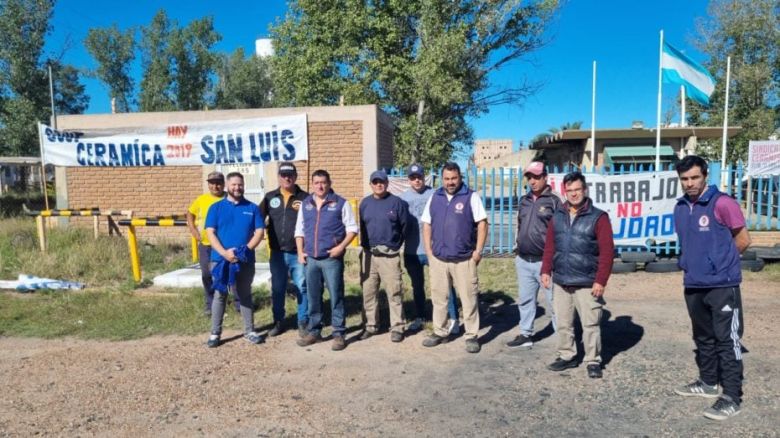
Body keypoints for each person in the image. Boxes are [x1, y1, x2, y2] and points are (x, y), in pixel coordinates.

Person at [672, 155, 751, 421]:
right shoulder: (681, 207)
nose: (690, 183)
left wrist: (721, 265)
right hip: (693, 283)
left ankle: (731, 397)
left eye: (695, 177)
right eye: (684, 179)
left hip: (722, 285)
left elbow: (743, 239)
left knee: (727, 340)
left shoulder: (723, 203)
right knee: (702, 337)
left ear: (706, 175)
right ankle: (707, 383)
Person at [541, 171, 614, 378]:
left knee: (590, 324)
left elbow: (607, 252)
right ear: (565, 192)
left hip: (586, 282)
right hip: (562, 280)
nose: (573, 194)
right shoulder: (558, 216)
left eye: (577, 190)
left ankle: (593, 360)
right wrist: (546, 270)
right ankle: (567, 356)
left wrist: (600, 280)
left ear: (585, 190)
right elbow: (550, 246)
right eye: (569, 190)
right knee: (563, 323)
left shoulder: (598, 217)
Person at [420, 162, 488, 353]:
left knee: (469, 298)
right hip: (439, 259)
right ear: (442, 179)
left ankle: (472, 335)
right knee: (439, 298)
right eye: (447, 179)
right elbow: (426, 224)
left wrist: (478, 251)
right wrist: (429, 251)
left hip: (464, 259)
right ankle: (440, 332)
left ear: (460, 177)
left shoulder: (470, 196)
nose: (450, 182)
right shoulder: (435, 197)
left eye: (454, 178)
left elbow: (482, 224)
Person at [295, 169, 358, 351]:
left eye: (323, 182)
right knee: (314, 297)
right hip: (311, 259)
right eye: (316, 183)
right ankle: (314, 331)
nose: (320, 186)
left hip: (331, 258)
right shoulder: (306, 204)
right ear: (312, 184)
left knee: (336, 296)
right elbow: (299, 230)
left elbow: (352, 229)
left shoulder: (340, 203)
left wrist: (341, 247)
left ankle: (339, 333)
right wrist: (300, 252)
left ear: (329, 183)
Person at [204, 172, 266, 347]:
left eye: (240, 184)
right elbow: (210, 233)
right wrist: (224, 253)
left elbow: (259, 232)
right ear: (227, 186)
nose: (237, 188)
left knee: (245, 294)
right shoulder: (215, 208)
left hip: (244, 260)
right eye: (233, 185)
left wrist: (244, 251)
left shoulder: (252, 208)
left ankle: (249, 331)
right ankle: (215, 333)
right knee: (220, 294)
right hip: (220, 260)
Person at [400, 163, 461, 333]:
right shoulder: (402, 198)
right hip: (412, 251)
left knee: (445, 285)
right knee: (417, 286)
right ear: (409, 179)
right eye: (413, 178)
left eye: (419, 177)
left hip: (434, 250)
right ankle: (421, 316)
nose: (417, 180)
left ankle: (453, 318)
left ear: (423, 176)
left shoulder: (436, 194)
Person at [507, 161, 560, 349]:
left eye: (537, 177)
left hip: (545, 263)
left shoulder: (554, 201)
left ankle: (564, 338)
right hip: (523, 260)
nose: (533, 181)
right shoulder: (524, 200)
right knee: (526, 300)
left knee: (555, 302)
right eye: (530, 177)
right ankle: (525, 334)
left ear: (545, 177)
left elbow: (560, 232)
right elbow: (520, 226)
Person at [260, 162, 309, 338]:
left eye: (290, 175)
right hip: (277, 253)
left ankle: (303, 321)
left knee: (302, 287)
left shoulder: (305, 197)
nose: (287, 178)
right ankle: (278, 322)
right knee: (278, 288)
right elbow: (257, 218)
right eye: (283, 175)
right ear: (279, 177)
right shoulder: (269, 197)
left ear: (295, 176)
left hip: (298, 253)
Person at [359, 169, 409, 342]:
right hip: (369, 255)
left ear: (387, 183)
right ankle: (371, 325)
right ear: (371, 184)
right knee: (369, 291)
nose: (378, 185)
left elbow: (405, 227)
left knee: (394, 292)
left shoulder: (397, 203)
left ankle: (397, 327)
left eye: (382, 182)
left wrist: (395, 244)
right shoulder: (364, 203)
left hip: (390, 256)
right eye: (375, 182)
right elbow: (362, 228)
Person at [186, 171, 230, 317]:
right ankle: (210, 304)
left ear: (223, 184)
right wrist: (193, 229)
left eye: (218, 183)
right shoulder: (201, 199)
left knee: (226, 274)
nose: (215, 186)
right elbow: (190, 213)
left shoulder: (229, 198)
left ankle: (230, 303)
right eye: (212, 183)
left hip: (225, 244)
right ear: (208, 184)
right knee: (206, 274)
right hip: (206, 244)